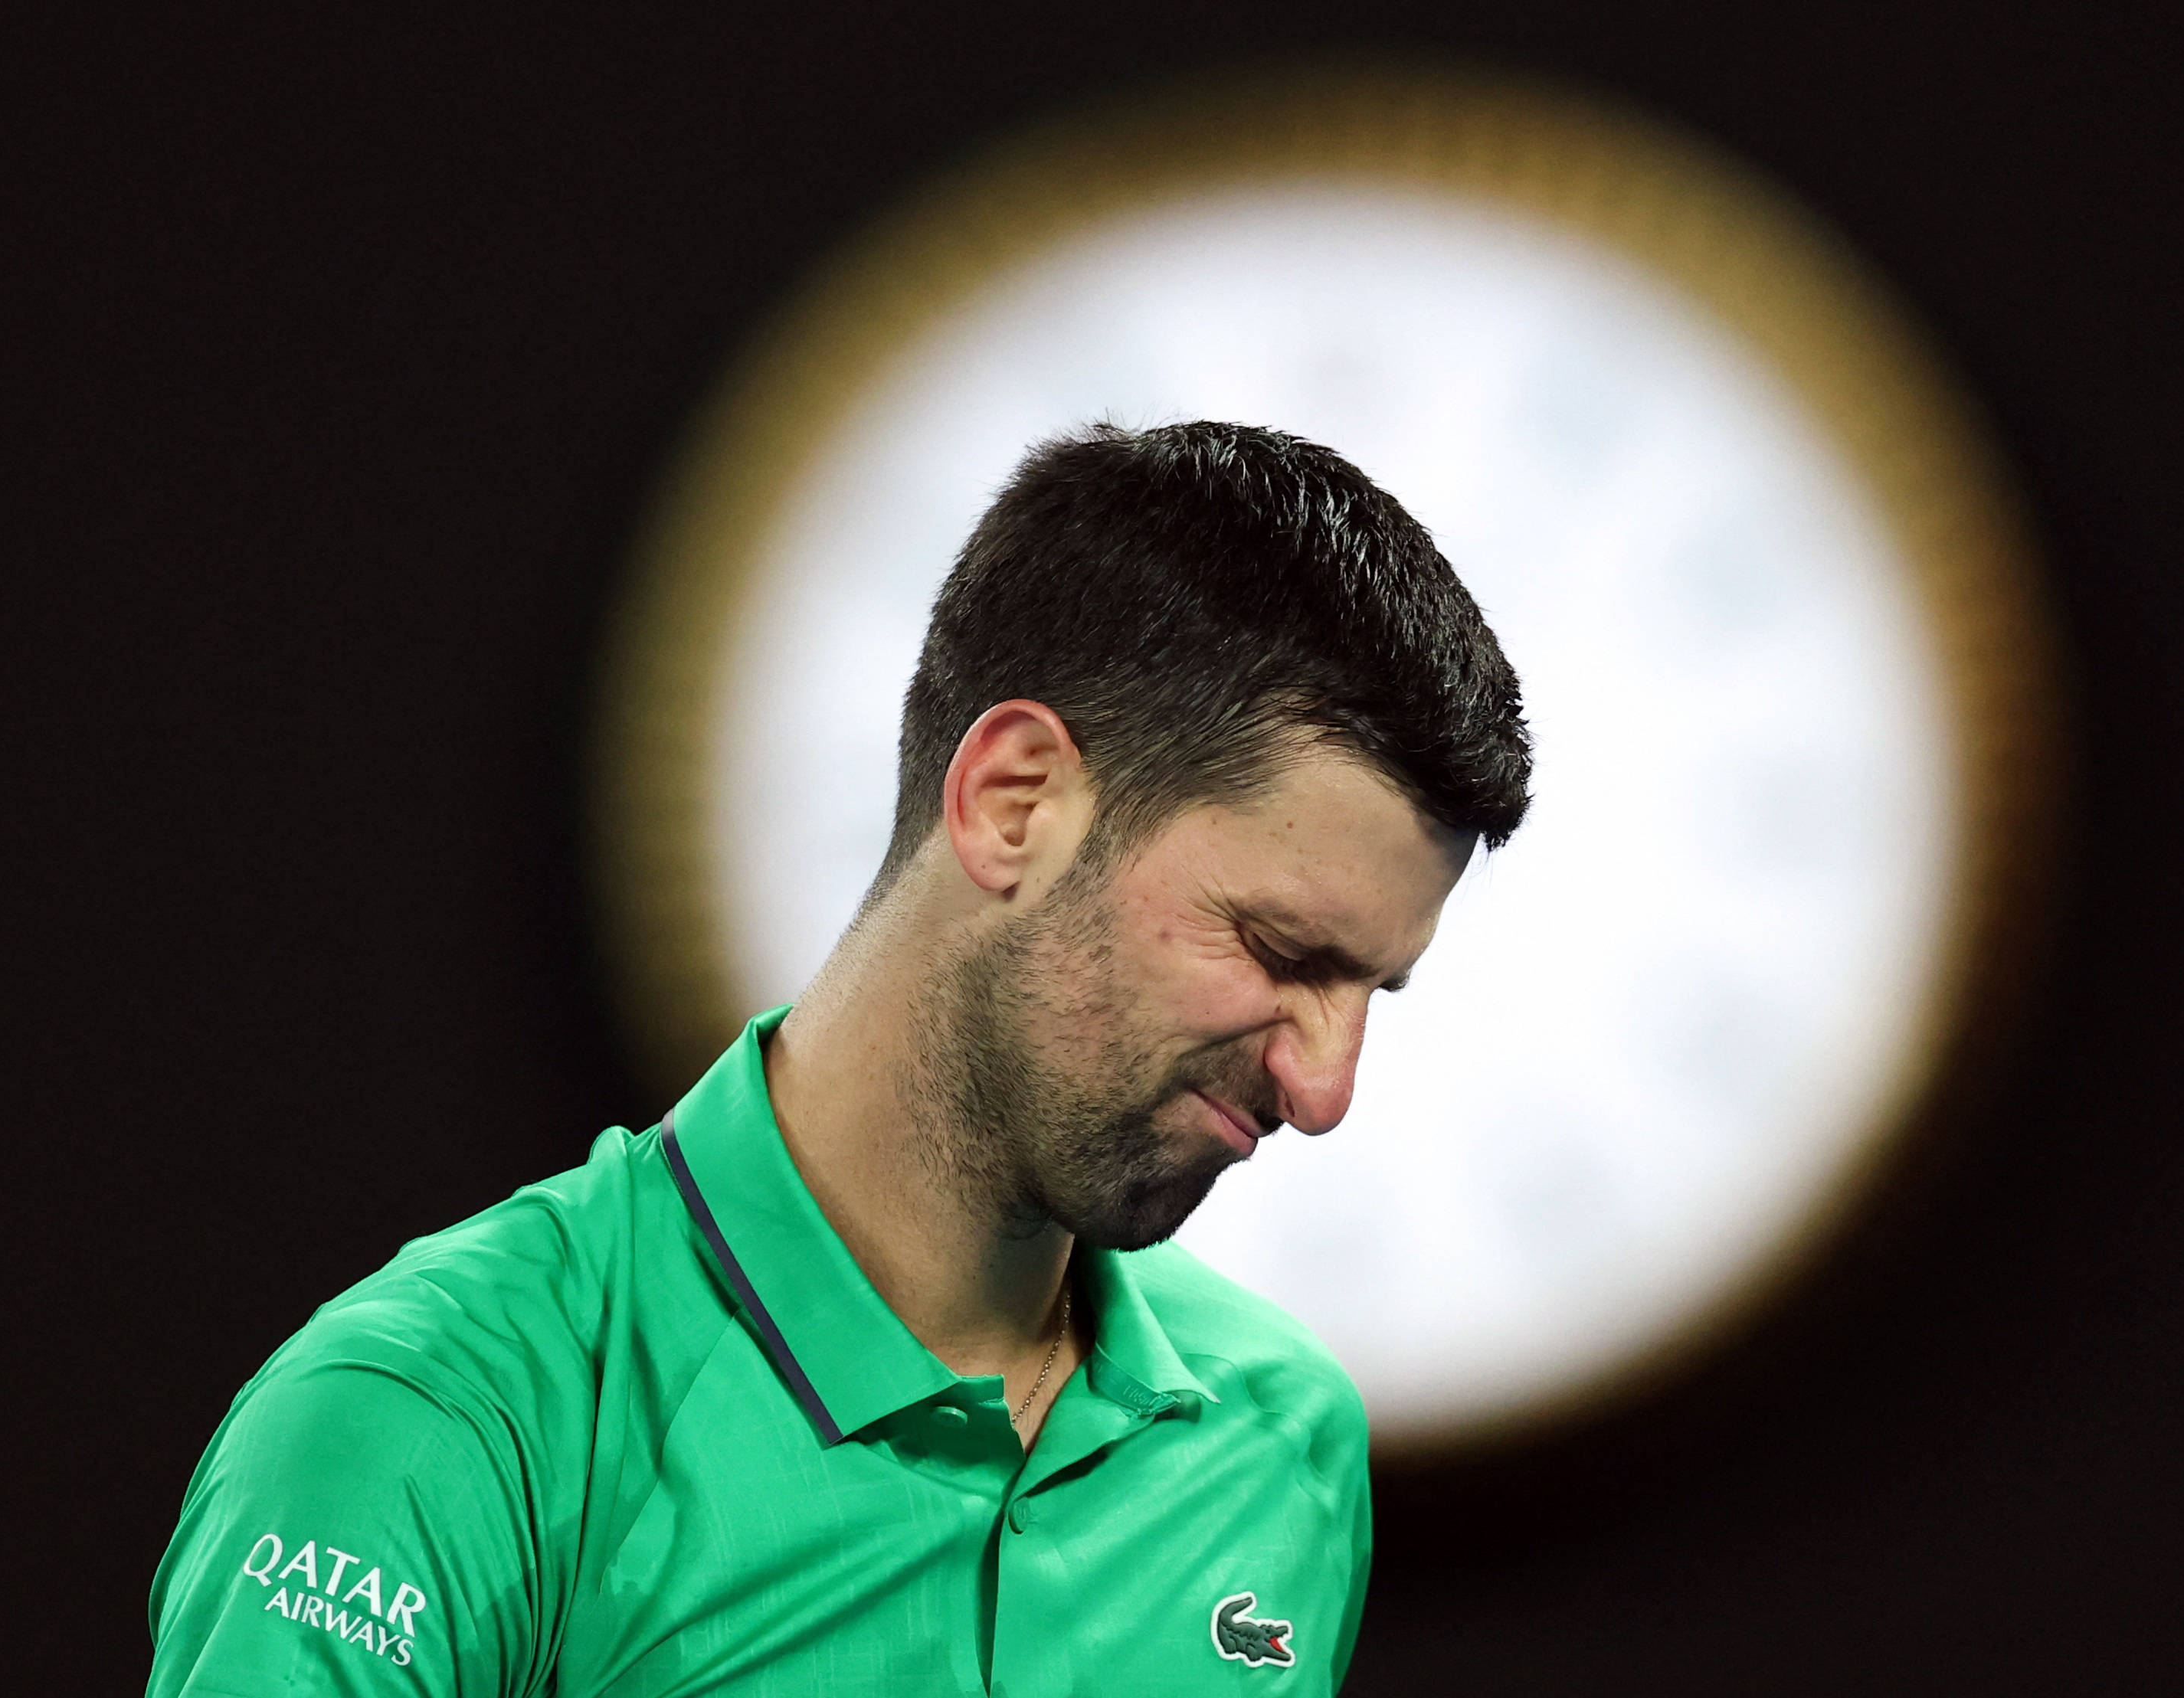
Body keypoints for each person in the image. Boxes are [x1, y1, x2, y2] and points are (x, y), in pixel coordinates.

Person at [146, 420, 1532, 1696]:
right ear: (1013, 802)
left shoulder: (1283, 1448)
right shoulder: (429, 1423)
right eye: (1284, 953)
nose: (1327, 1087)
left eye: (1376, 991)